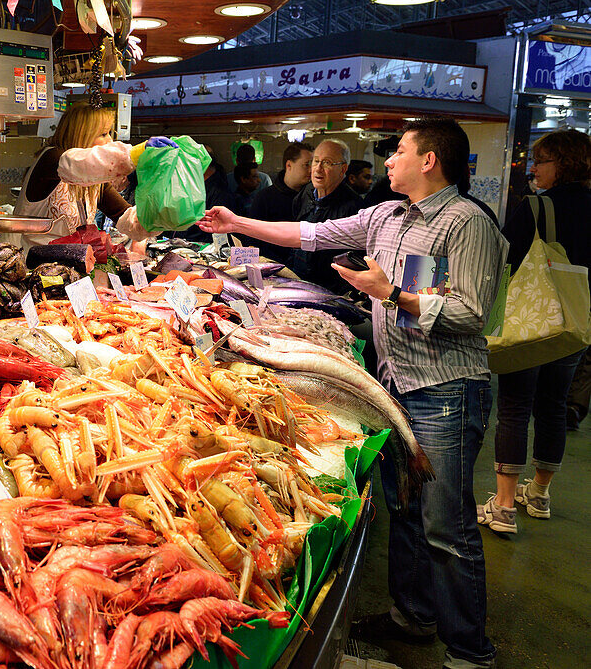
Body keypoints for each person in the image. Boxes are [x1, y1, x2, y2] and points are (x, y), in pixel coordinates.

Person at [198, 118, 506, 669]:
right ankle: (412, 616)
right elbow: (312, 236)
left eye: (400, 153)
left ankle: (468, 651)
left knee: (446, 525)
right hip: (394, 381)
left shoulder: (466, 223)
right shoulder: (387, 215)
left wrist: (393, 294)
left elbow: (471, 314)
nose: (388, 162)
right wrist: (236, 220)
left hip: (445, 390)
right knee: (405, 509)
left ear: (429, 160)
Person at [478, 129, 591, 534]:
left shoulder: (539, 207)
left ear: (561, 164)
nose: (534, 169)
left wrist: (489, 321)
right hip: (577, 323)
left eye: (541, 161)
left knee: (514, 405)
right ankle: (539, 494)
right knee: (554, 407)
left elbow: (503, 262)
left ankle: (505, 506)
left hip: (532, 322)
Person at [11, 103, 160, 250]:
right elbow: (79, 164)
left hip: (72, 265)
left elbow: (124, 216)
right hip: (31, 265)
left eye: (109, 133)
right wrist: (137, 153)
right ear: (81, 135)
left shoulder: (94, 181)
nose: (110, 141)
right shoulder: (52, 159)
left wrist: (160, 218)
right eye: (103, 134)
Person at [290, 139, 362, 293]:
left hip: (327, 290)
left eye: (327, 163)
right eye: (315, 161)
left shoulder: (354, 207)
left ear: (343, 169)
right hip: (296, 281)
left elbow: (353, 260)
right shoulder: (306, 192)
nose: (318, 168)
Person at [248, 141, 313, 262]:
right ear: (289, 165)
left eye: (312, 165)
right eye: (306, 165)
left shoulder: (314, 198)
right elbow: (253, 240)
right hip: (273, 269)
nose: (311, 170)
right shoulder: (265, 197)